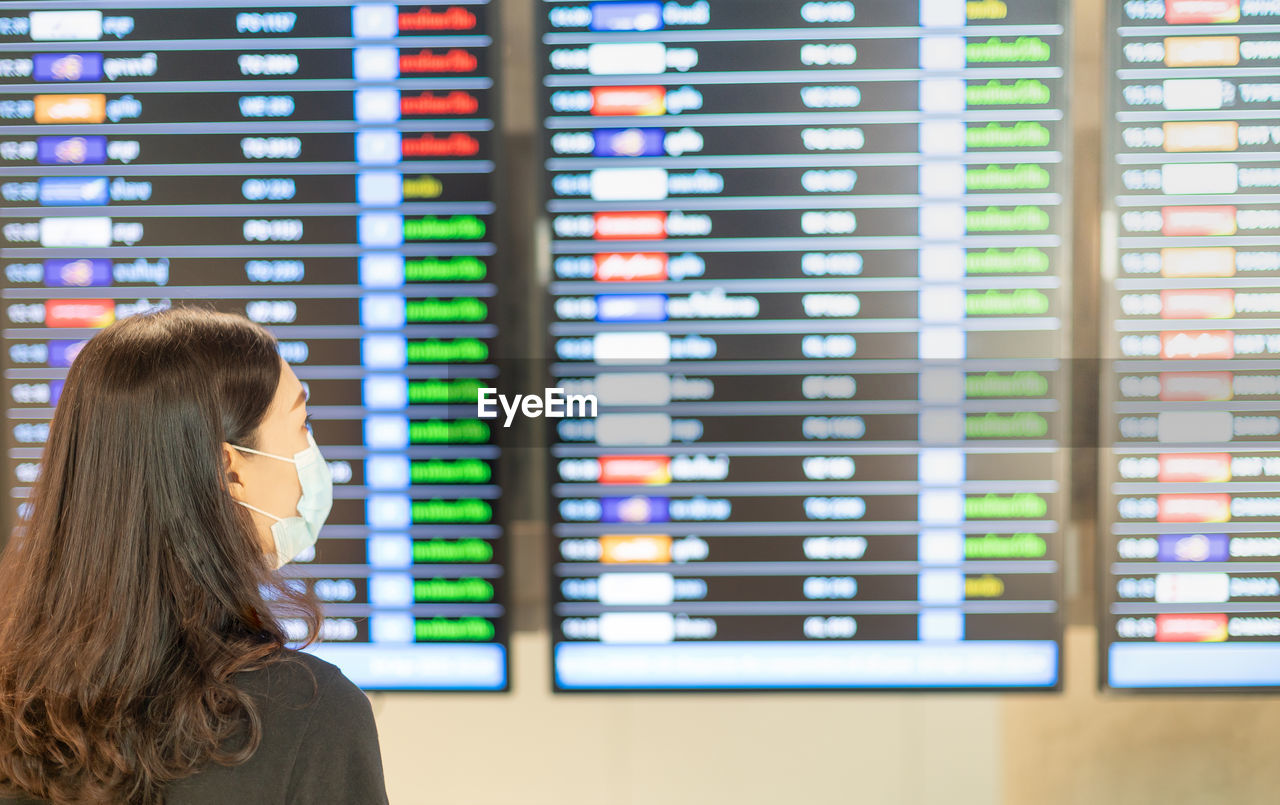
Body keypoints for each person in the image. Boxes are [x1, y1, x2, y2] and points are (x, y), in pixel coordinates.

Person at [0, 306, 389, 804]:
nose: (311, 453)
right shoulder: (308, 716)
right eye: (301, 424)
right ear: (229, 471)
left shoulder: (19, 713)